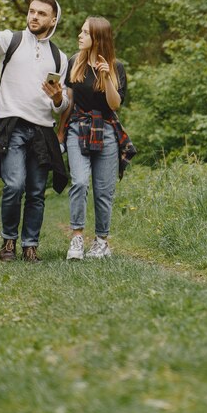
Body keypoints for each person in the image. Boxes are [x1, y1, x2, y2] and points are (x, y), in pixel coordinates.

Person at [0, 0, 69, 263]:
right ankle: (9, 242)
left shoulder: (59, 57)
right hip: (13, 126)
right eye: (32, 11)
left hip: (43, 130)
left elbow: (62, 105)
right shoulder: (11, 40)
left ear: (53, 19)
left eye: (41, 13)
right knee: (14, 185)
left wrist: (56, 97)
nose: (34, 16)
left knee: (35, 192)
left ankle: (30, 246)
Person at [57, 17, 136, 260]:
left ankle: (101, 242)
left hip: (107, 129)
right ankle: (77, 238)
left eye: (84, 33)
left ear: (97, 38)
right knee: (79, 182)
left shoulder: (116, 67)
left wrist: (108, 78)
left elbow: (115, 104)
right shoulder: (74, 62)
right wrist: (60, 131)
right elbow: (68, 102)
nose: (79, 36)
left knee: (103, 190)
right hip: (77, 127)